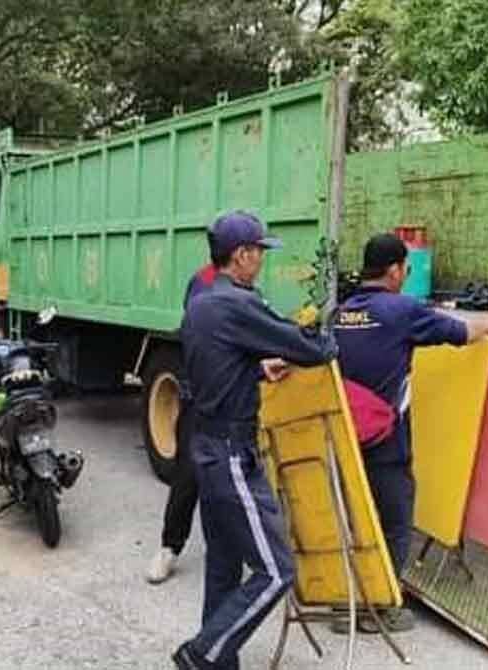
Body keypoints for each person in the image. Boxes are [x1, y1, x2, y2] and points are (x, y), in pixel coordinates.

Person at [173, 211, 337, 670]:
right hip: (230, 453)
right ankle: (201, 654)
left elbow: (216, 362)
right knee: (276, 569)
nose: (261, 260)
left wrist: (254, 366)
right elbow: (310, 348)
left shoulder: (203, 300)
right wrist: (329, 338)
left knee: (224, 566)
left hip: (206, 445)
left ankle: (219, 662)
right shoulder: (238, 303)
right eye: (259, 252)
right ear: (241, 254)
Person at [334, 233, 488, 633]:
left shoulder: (340, 313)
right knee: (394, 518)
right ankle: (380, 607)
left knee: (355, 518)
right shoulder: (402, 310)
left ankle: (343, 604)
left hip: (343, 437)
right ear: (393, 270)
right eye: (405, 268)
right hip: (385, 440)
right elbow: (460, 333)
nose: (405, 275)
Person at [145, 264, 216, 584]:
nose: (258, 260)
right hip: (201, 397)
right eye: (254, 251)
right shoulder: (204, 282)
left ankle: (231, 550)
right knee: (188, 474)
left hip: (234, 402)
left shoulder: (249, 292)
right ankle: (170, 548)